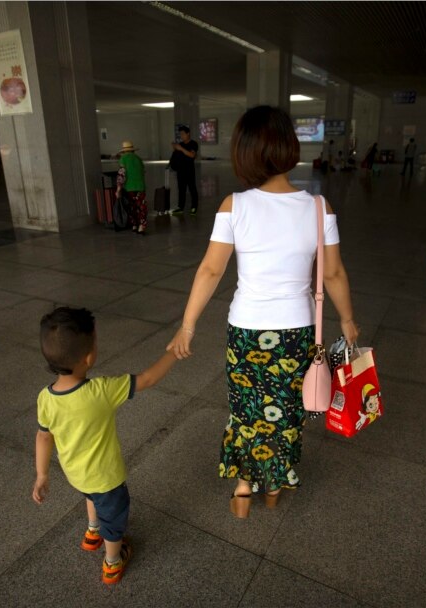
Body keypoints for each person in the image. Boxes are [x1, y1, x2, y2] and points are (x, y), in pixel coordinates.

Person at [167, 105, 359, 519]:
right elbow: (335, 274)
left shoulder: (233, 206)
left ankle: (242, 487)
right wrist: (346, 319)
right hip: (297, 332)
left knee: (246, 411)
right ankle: (274, 482)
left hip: (247, 330)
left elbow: (211, 269)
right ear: (290, 148)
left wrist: (187, 325)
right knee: (288, 412)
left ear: (245, 153)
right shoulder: (318, 208)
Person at [33, 307, 179, 584]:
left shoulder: (46, 398)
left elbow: (43, 436)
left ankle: (92, 532)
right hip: (107, 478)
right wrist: (174, 350)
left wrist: (42, 475)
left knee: (91, 495)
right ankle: (113, 560)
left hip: (75, 473)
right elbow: (147, 379)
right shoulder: (101, 391)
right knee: (114, 518)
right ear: (89, 358)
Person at [116, 140, 147, 235]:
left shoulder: (123, 159)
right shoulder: (138, 159)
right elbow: (143, 172)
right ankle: (142, 226)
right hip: (141, 186)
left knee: (132, 207)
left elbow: (121, 175)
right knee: (141, 207)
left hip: (129, 188)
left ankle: (134, 225)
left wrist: (118, 189)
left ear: (124, 151)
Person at [170, 125, 199, 215]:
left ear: (188, 133)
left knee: (192, 189)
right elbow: (175, 157)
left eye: (183, 134)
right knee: (181, 189)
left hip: (189, 171)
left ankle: (194, 207)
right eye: (180, 134)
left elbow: (192, 155)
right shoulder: (180, 145)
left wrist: (181, 149)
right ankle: (180, 207)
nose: (182, 136)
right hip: (180, 171)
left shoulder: (193, 144)